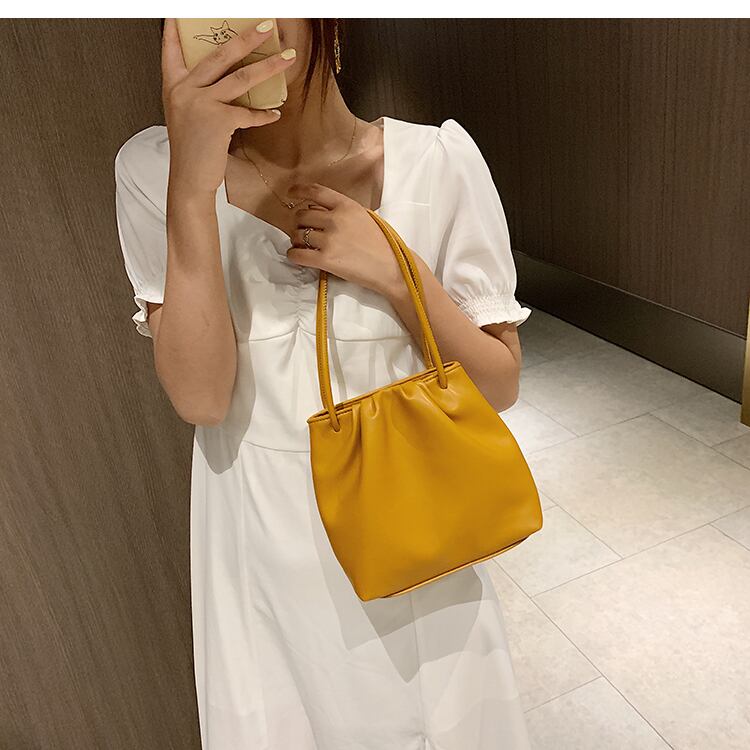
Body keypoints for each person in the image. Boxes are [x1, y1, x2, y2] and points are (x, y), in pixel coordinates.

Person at [114, 17, 533, 750]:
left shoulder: (436, 163)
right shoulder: (153, 171)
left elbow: (498, 384)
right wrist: (193, 185)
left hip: (415, 551)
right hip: (258, 557)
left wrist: (396, 272)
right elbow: (201, 398)